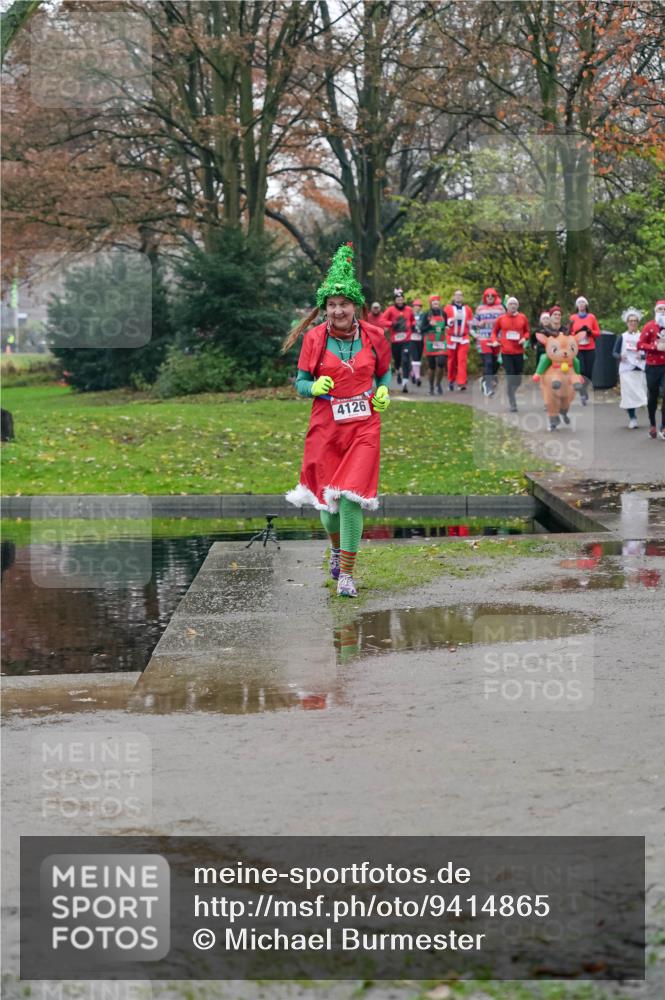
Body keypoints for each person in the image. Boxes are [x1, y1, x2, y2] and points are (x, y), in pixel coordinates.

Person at [282, 243, 392, 597]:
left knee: (351, 498)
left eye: (343, 304)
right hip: (327, 428)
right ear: (325, 308)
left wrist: (384, 391)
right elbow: (299, 384)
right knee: (328, 509)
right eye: (331, 305)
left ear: (355, 306)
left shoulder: (375, 336)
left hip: (364, 425)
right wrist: (313, 385)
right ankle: (335, 546)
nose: (337, 310)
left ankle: (347, 573)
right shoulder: (314, 339)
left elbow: (386, 374)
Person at [491, 295, 530, 412]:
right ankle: (512, 402)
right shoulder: (501, 319)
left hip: (519, 351)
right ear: (507, 306)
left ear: (517, 306)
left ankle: (510, 390)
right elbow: (494, 332)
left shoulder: (522, 317)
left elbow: (527, 331)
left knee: (517, 378)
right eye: (510, 304)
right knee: (510, 374)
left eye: (515, 304)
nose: (513, 306)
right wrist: (494, 341)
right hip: (506, 351)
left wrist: (524, 338)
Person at [612, 307, 647, 429]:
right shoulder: (622, 336)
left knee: (642, 395)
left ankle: (646, 414)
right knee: (628, 396)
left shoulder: (642, 336)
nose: (632, 323)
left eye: (635, 321)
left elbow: (648, 352)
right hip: (626, 369)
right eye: (630, 321)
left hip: (639, 368)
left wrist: (642, 355)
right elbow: (614, 353)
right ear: (627, 323)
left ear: (638, 322)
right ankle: (632, 418)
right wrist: (620, 356)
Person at [637, 299, 665, 439]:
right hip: (652, 366)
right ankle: (652, 424)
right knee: (653, 396)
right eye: (660, 309)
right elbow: (640, 344)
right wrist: (655, 347)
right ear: (656, 311)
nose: (663, 312)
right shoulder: (650, 326)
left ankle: (664, 427)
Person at [567, 296, 600, 405]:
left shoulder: (591, 317)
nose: (581, 305)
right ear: (577, 306)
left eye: (583, 303)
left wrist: (590, 332)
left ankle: (583, 391)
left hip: (590, 347)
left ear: (586, 305)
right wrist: (577, 334)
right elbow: (569, 333)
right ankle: (582, 393)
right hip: (578, 348)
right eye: (579, 303)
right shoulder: (573, 318)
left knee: (589, 373)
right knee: (581, 371)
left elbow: (598, 333)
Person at [380, 288, 414, 393]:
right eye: (397, 299)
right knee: (398, 361)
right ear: (395, 300)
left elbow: (413, 320)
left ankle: (405, 383)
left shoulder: (409, 309)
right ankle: (398, 371)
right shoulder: (390, 310)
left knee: (405, 359)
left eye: (401, 299)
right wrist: (392, 324)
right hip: (395, 340)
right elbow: (382, 320)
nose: (400, 301)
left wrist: (412, 325)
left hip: (407, 339)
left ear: (404, 300)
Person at [472, 287, 504, 396]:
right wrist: (478, 326)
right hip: (484, 338)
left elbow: (505, 323)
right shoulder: (480, 309)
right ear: (485, 297)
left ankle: (486, 379)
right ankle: (488, 386)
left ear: (495, 297)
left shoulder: (501, 309)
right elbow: (472, 324)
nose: (490, 298)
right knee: (488, 361)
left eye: (492, 296)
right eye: (488, 296)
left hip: (497, 339)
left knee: (496, 362)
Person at [444, 289, 473, 391]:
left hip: (463, 337)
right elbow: (445, 323)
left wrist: (475, 333)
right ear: (453, 297)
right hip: (451, 337)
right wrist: (452, 320)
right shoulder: (448, 308)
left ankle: (461, 382)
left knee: (462, 360)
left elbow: (470, 323)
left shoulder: (468, 309)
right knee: (451, 360)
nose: (458, 297)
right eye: (456, 295)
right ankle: (451, 380)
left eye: (460, 295)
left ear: (463, 297)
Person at [421, 295, 448, 395]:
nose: (436, 304)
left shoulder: (443, 313)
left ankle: (438, 384)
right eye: (434, 303)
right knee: (432, 366)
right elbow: (422, 329)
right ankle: (431, 387)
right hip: (430, 343)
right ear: (431, 304)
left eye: (437, 303)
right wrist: (429, 325)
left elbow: (446, 326)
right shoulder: (426, 315)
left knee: (441, 363)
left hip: (441, 341)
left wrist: (448, 328)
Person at [409, 298, 424, 386]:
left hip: (420, 338)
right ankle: (418, 377)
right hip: (411, 338)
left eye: (419, 306)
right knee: (415, 357)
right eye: (415, 306)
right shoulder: (410, 315)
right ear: (413, 307)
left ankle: (413, 373)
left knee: (418, 358)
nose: (417, 308)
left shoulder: (423, 315)